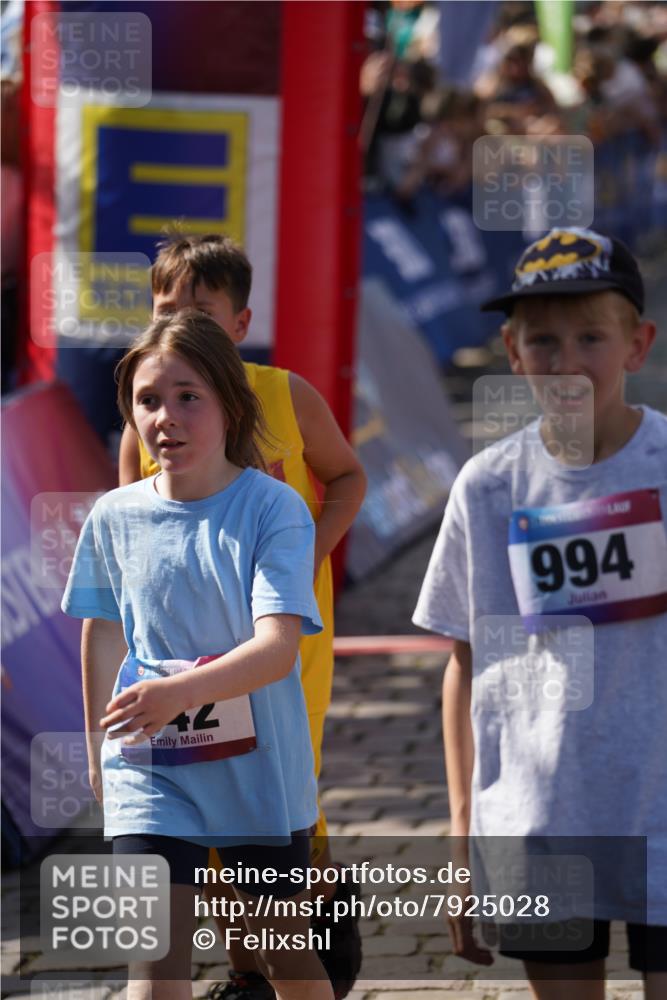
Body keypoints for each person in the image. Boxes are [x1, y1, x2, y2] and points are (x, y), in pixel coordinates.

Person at [413, 227, 667, 1000]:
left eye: (590, 337)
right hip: (539, 816)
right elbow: (465, 665)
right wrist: (462, 844)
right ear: (511, 351)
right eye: (542, 340)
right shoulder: (487, 487)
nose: (564, 361)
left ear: (637, 344)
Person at [118, 234, 367, 1000]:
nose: (182, 324)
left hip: (281, 649)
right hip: (186, 665)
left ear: (240, 319)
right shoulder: (148, 418)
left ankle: (316, 916)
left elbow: (347, 475)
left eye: (202, 310)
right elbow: (130, 541)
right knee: (203, 814)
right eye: (167, 310)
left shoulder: (285, 395)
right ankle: (244, 973)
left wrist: (304, 558)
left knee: (279, 809)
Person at [62, 309, 335, 1000]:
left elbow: (275, 650)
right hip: (148, 771)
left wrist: (176, 696)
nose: (166, 417)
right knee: (154, 967)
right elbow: (104, 631)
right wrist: (99, 750)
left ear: (230, 405)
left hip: (258, 774)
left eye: (189, 396)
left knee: (282, 959)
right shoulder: (112, 515)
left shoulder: (274, 509)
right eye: (148, 400)